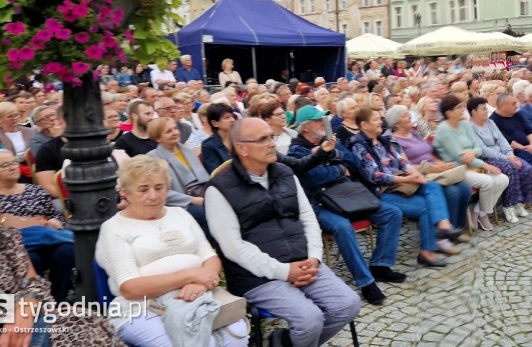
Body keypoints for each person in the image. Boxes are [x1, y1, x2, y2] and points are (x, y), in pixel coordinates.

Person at [0, 156, 123, 346]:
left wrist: (23, 311)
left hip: (25, 327)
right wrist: (23, 309)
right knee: (77, 324)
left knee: (84, 318)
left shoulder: (5, 238)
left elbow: (35, 286)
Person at [206, 118, 361, 346]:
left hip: (302, 262)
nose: (272, 144)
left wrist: (315, 258)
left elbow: (308, 218)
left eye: (272, 137)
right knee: (309, 319)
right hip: (257, 276)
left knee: (348, 304)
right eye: (263, 139)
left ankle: (284, 342)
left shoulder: (285, 173)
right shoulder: (219, 189)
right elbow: (233, 247)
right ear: (241, 148)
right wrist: (283, 271)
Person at [96, 155, 249, 346]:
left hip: (199, 296)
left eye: (159, 188)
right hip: (142, 308)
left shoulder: (180, 214)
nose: (153, 195)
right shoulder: (114, 228)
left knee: (237, 332)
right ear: (125, 193)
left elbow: (209, 257)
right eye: (143, 190)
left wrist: (201, 283)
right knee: (198, 341)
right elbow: (130, 288)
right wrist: (189, 276)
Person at [289, 107, 406, 305]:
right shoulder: (297, 150)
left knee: (392, 213)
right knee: (342, 227)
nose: (323, 124)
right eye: (318, 121)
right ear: (306, 127)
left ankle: (380, 265)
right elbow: (312, 179)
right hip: (320, 202)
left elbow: (354, 162)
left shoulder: (330, 140)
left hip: (349, 195)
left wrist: (334, 157)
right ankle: (366, 282)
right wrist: (339, 169)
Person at [0, 149, 74, 303]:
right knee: (31, 259)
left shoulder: (35, 190)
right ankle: (32, 302)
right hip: (15, 244)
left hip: (48, 238)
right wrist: (34, 222)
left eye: (14, 162)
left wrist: (55, 222)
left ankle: (58, 300)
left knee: (66, 251)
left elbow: (55, 216)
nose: (12, 167)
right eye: (5, 165)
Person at [385, 106, 472, 247]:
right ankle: (442, 235)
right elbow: (406, 166)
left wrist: (443, 166)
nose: (409, 116)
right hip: (421, 175)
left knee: (464, 188)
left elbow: (432, 153)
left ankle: (456, 228)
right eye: (405, 115)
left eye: (408, 113)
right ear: (396, 124)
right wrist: (435, 168)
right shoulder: (393, 141)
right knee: (453, 192)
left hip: (437, 171)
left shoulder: (414, 133)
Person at [433, 94, 510, 230]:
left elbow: (477, 148)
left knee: (503, 179)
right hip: (457, 170)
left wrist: (472, 152)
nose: (463, 109)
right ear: (449, 113)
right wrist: (486, 165)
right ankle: (484, 214)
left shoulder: (464, 124)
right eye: (459, 107)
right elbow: (460, 158)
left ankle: (479, 211)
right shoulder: (444, 130)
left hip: (473, 165)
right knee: (487, 182)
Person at [467, 98, 532, 222]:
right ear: (473, 112)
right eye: (483, 109)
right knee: (510, 167)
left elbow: (503, 140)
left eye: (486, 108)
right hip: (486, 159)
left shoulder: (490, 123)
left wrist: (510, 154)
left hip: (504, 154)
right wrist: (507, 158)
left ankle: (519, 202)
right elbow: (483, 149)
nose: (486, 111)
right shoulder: (470, 127)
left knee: (526, 168)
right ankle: (508, 206)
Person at [146, 117, 214, 235]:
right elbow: (160, 192)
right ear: (158, 138)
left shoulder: (187, 150)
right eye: (168, 131)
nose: (175, 133)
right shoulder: (153, 158)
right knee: (205, 213)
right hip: (181, 203)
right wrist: (192, 200)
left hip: (203, 193)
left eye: (175, 129)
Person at [489, 92, 532, 205]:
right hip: (516, 150)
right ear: (502, 105)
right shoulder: (494, 120)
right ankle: (531, 192)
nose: (516, 106)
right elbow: (506, 142)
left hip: (531, 147)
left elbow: (530, 131)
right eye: (513, 104)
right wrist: (529, 149)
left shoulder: (518, 114)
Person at [201, 103, 236, 173]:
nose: (232, 120)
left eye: (232, 116)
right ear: (215, 123)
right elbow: (217, 173)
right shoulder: (208, 146)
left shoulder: (239, 138)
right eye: (227, 117)